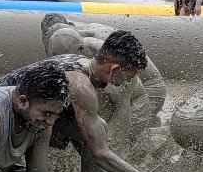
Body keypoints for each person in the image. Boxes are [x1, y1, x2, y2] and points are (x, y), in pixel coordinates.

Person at [0, 32, 191, 172]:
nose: (122, 84)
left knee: (95, 134)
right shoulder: (81, 87)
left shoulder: (83, 64)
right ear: (113, 69)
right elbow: (101, 154)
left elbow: (95, 148)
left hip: (21, 117)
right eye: (127, 78)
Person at [39, 14, 167, 130]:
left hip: (150, 87)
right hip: (128, 79)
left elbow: (122, 103)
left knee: (117, 132)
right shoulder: (65, 39)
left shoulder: (98, 51)